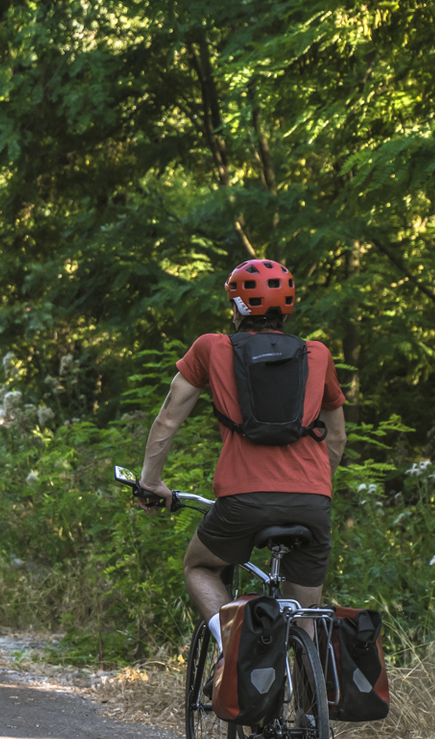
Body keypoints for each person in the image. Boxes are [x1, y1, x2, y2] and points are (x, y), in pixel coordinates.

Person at [135, 259, 348, 647]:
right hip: (312, 502)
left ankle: (235, 650)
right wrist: (313, 489)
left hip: (243, 500)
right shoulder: (318, 355)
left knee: (200, 567)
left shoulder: (212, 348)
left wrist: (150, 482)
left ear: (237, 308)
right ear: (288, 308)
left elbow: (168, 419)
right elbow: (337, 439)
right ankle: (307, 702)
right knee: (304, 620)